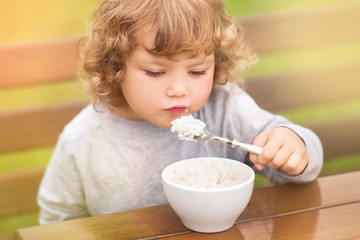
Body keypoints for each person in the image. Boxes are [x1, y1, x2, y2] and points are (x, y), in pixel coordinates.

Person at [37, 0, 323, 224]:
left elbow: (294, 170)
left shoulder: (225, 109)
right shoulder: (85, 138)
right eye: (156, 72)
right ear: (115, 67)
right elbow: (58, 220)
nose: (179, 89)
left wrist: (293, 146)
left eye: (197, 71)